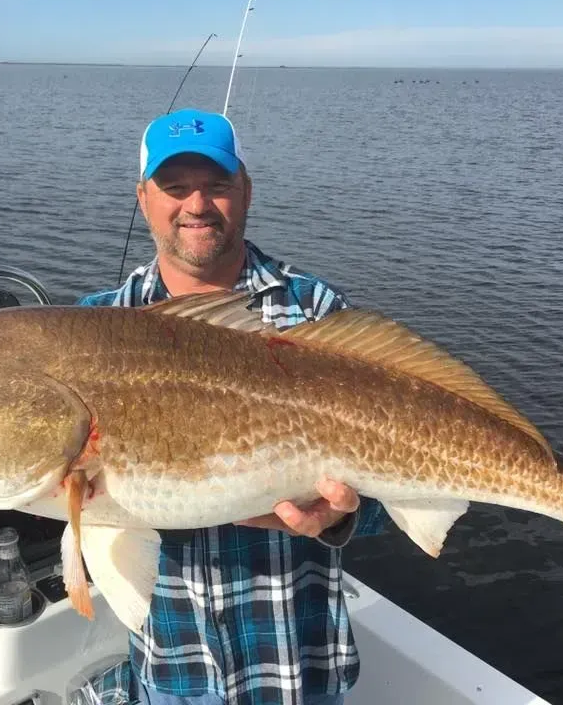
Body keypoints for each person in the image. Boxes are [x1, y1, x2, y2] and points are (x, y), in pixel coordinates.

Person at [75, 109, 391, 705]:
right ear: (143, 198)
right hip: (174, 674)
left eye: (217, 185)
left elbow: (395, 476)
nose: (196, 204)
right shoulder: (94, 326)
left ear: (245, 190)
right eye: (174, 187)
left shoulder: (314, 310)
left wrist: (342, 518)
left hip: (300, 670)